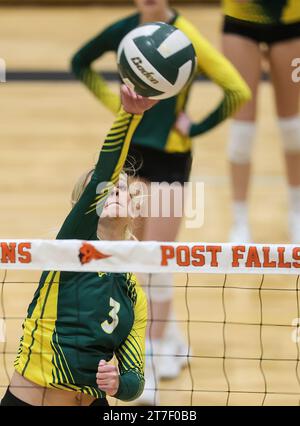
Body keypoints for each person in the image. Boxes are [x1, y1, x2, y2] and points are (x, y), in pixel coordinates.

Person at [71, 0, 251, 405]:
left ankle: (149, 360)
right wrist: (116, 105)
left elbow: (238, 90)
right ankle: (168, 336)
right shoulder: (126, 31)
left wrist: (196, 126)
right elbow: (79, 61)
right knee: (131, 254)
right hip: (131, 154)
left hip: (170, 159)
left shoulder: (186, 36)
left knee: (157, 259)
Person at [0, 86, 157, 406]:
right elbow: (104, 172)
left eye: (122, 187)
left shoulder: (133, 295)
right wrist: (129, 116)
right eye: (103, 189)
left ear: (133, 206)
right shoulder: (71, 252)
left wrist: (118, 384)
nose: (113, 189)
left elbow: (136, 378)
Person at [222, 0, 300, 242]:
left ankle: (297, 214)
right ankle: (240, 221)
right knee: (242, 132)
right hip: (240, 21)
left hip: (290, 21)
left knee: (292, 129)